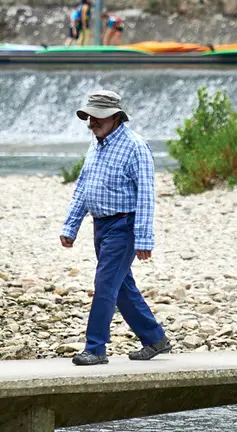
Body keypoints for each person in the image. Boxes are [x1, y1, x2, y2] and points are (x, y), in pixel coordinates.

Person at [61, 90, 171, 366]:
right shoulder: (95, 144)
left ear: (116, 117)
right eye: (89, 116)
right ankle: (155, 338)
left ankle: (95, 348)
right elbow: (83, 188)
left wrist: (144, 238)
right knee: (121, 286)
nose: (91, 122)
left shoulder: (136, 147)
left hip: (125, 226)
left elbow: (146, 194)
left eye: (97, 117)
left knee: (105, 285)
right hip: (101, 226)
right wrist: (70, 226)